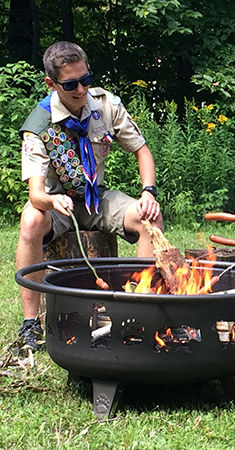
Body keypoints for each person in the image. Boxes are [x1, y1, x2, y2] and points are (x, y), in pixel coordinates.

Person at [16, 41, 162, 351]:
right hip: (57, 202)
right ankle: (31, 323)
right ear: (51, 83)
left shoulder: (105, 105)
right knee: (30, 221)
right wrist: (52, 202)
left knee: (150, 216)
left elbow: (142, 151)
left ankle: (140, 310)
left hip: (96, 198)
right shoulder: (38, 126)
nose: (81, 89)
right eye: (71, 84)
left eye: (86, 79)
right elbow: (36, 194)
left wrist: (148, 191)